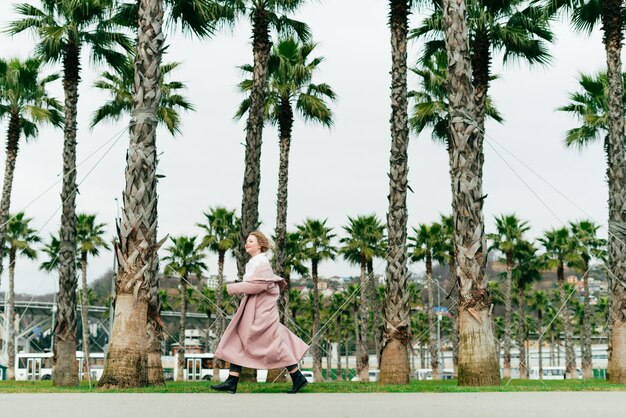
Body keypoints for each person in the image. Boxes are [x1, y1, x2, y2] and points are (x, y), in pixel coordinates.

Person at [210, 231, 310, 394]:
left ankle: (297, 377)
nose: (246, 244)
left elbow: (258, 286)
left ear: (260, 245)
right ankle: (232, 380)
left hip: (261, 311)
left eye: (250, 241)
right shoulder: (253, 263)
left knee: (274, 344)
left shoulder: (262, 263)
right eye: (246, 241)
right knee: (241, 340)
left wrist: (233, 288)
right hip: (254, 308)